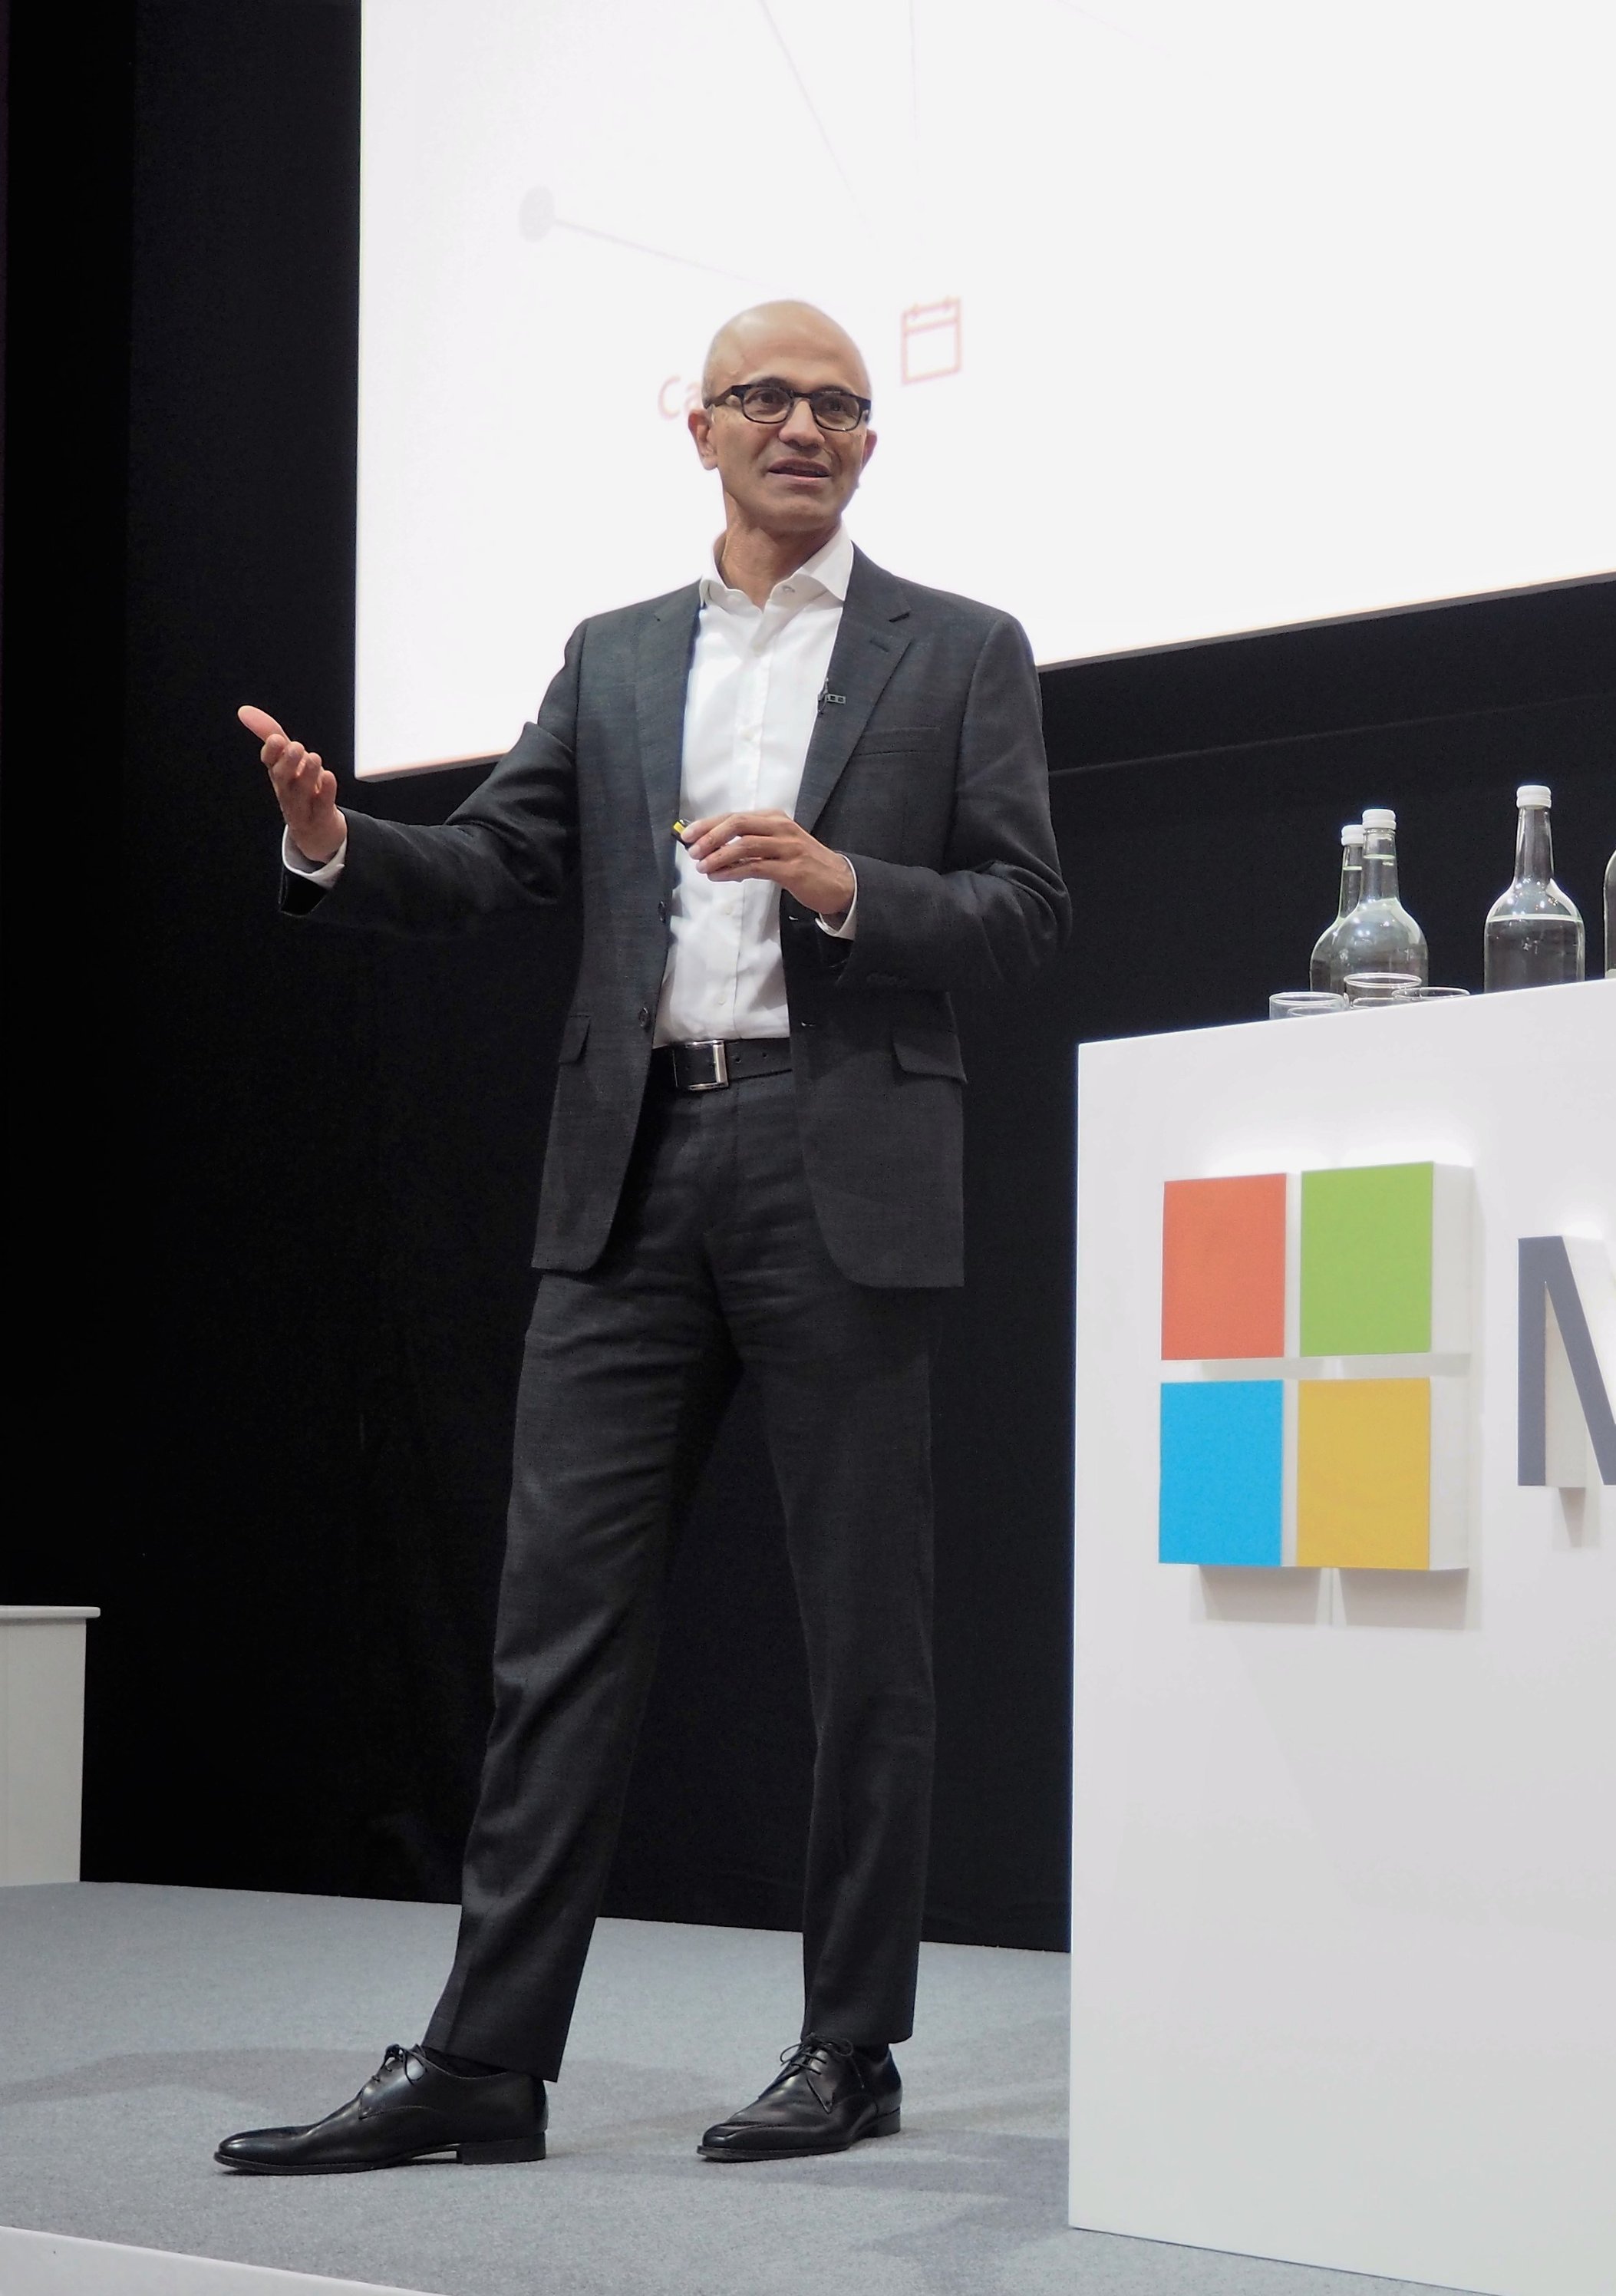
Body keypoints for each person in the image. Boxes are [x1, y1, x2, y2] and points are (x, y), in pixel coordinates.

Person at [213, 301, 1068, 2172]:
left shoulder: (959, 653)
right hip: (630, 1169)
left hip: (839, 1166)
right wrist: (338, 840)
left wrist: (850, 885)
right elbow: (496, 867)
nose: (812, 429)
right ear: (699, 428)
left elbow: (1019, 915)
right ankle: (485, 2060)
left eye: (845, 406)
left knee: (867, 1646)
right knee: (555, 1636)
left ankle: (851, 2042)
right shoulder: (615, 661)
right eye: (774, 398)